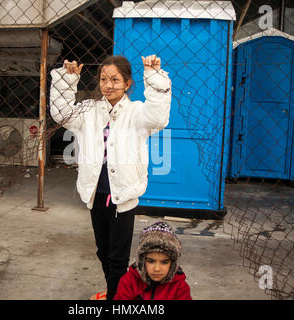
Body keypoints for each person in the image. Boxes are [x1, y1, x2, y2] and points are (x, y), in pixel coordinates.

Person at [49, 55, 172, 300]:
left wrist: (154, 76)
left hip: (123, 195)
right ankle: (118, 291)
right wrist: (66, 80)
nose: (108, 85)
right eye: (104, 79)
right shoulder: (89, 110)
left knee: (118, 255)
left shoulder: (137, 113)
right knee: (103, 251)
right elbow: (61, 115)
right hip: (97, 193)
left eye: (115, 80)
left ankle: (118, 297)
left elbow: (159, 117)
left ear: (127, 83)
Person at [113, 221, 192, 300]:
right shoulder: (128, 281)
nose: (157, 269)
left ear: (172, 263)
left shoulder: (180, 288)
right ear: (142, 260)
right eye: (151, 261)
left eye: (164, 262)